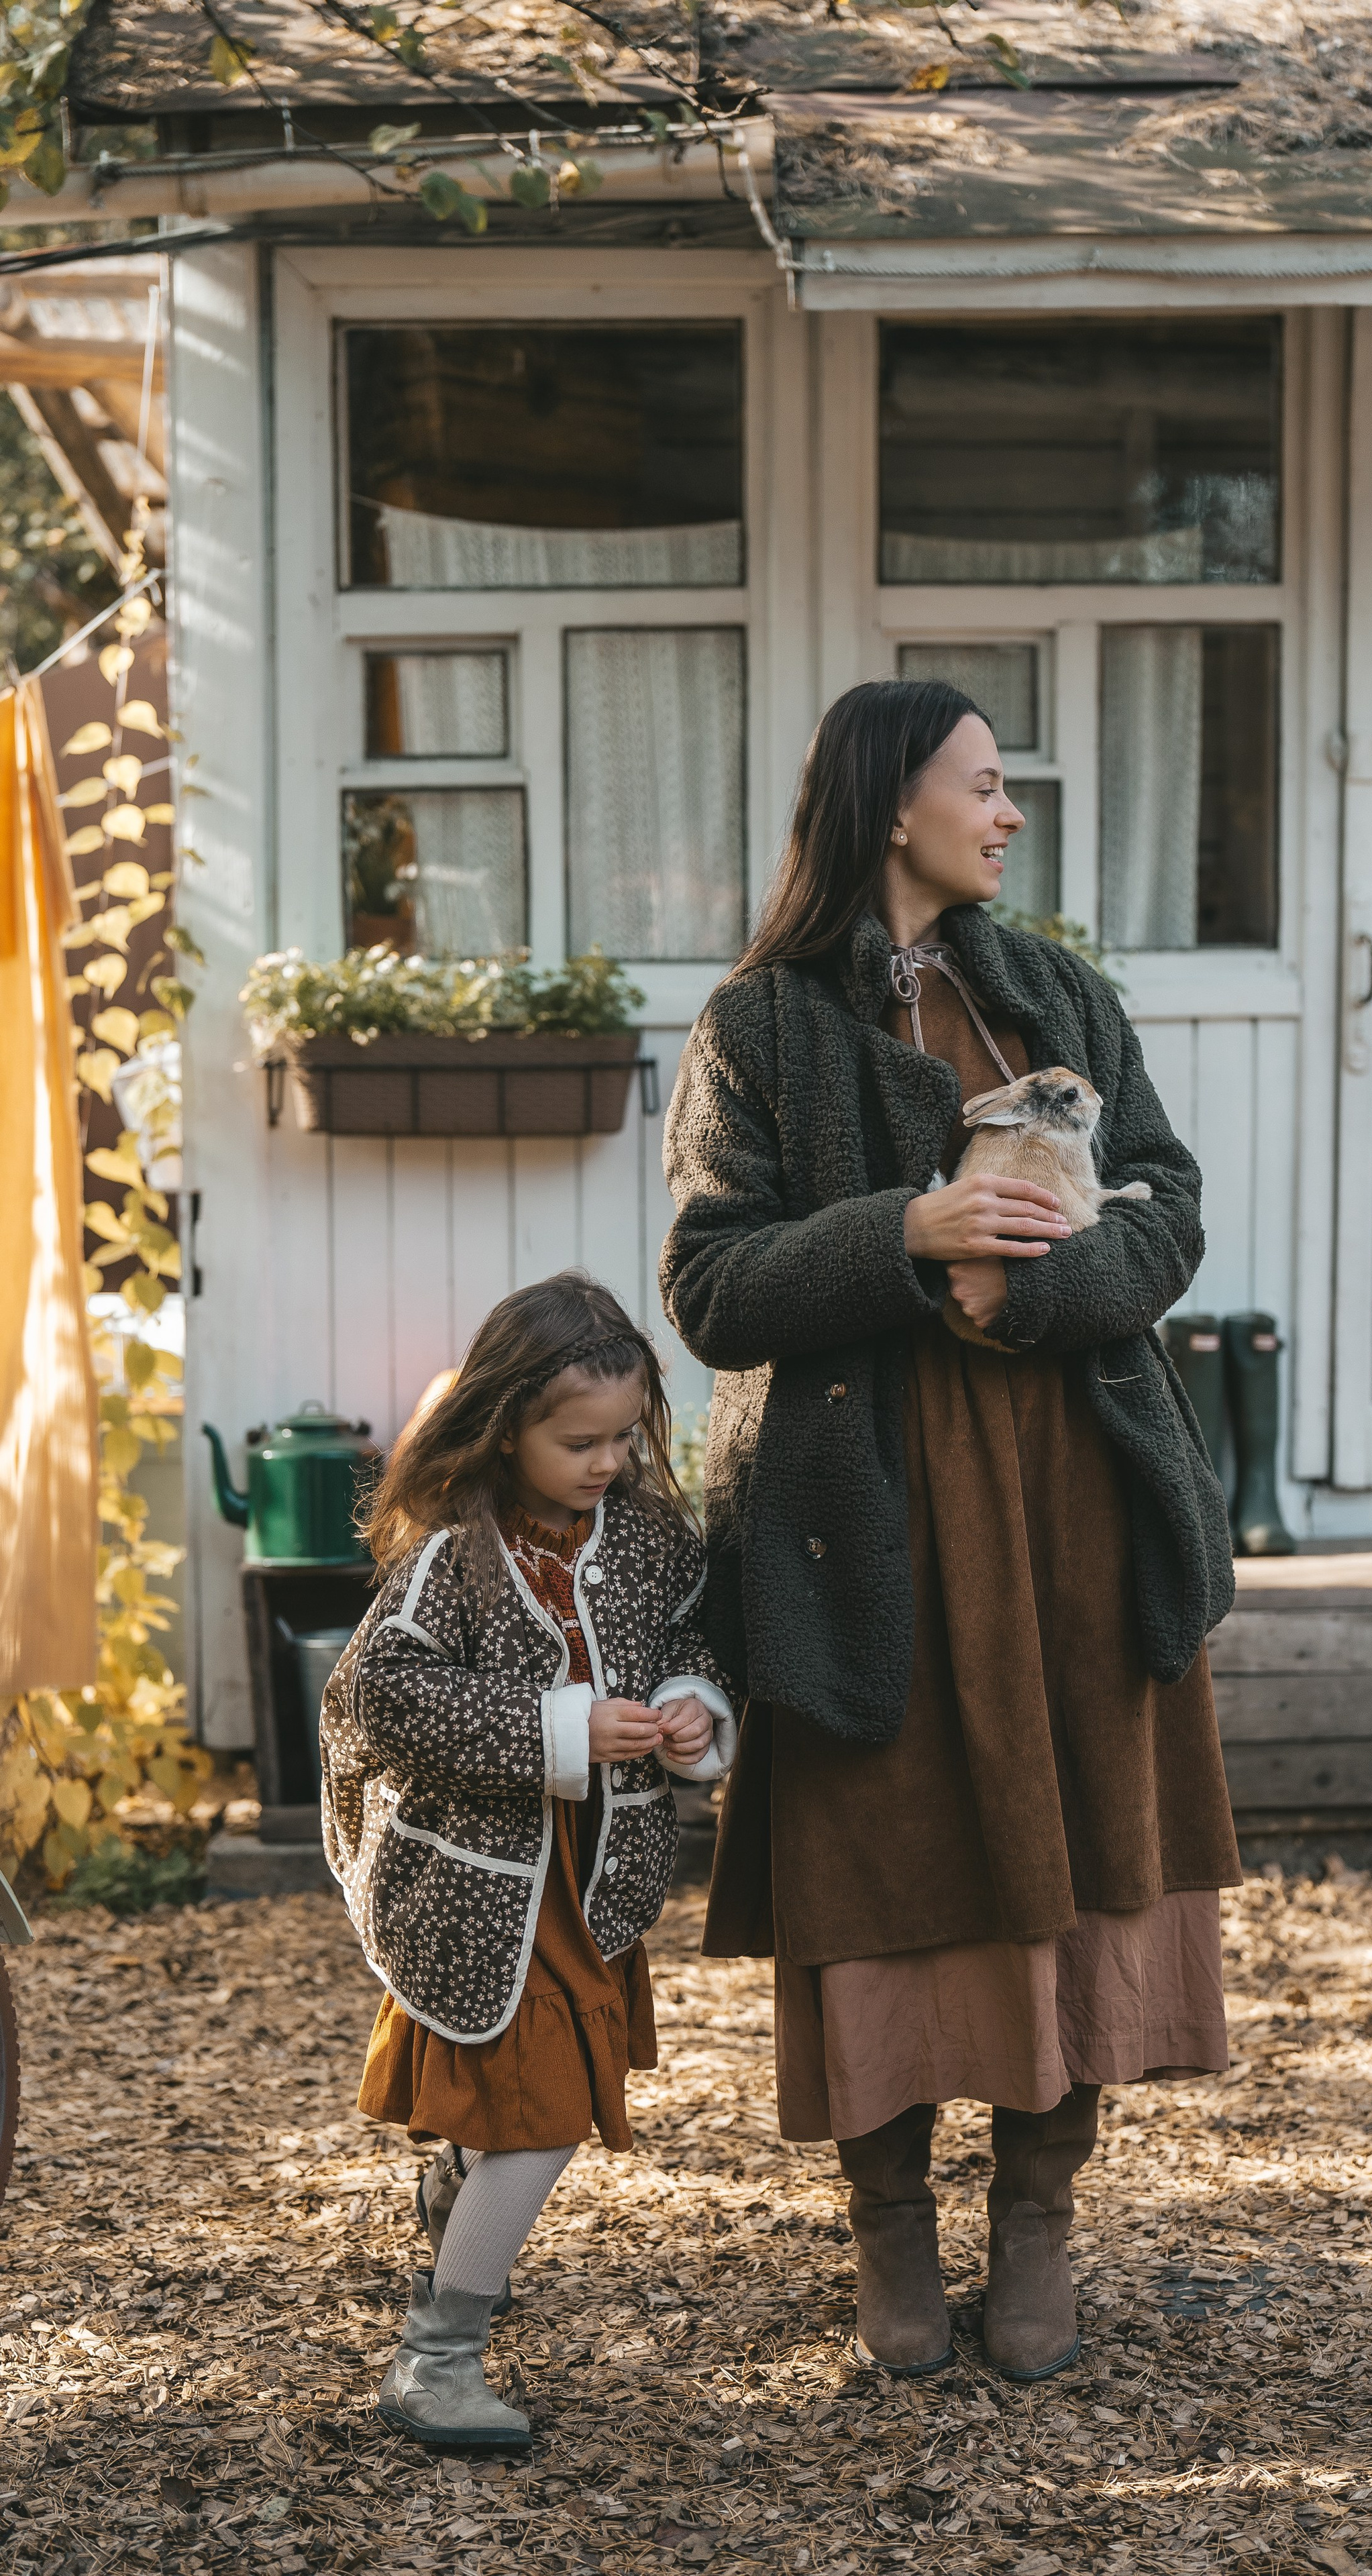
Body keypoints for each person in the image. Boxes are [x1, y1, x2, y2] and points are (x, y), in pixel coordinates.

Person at [661, 679, 1241, 2384]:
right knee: (888, 1852)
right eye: (980, 787)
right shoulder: (756, 1025)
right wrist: (906, 1229)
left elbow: (1169, 1204)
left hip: (1072, 1491)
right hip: (868, 1518)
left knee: (1071, 1846)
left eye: (1008, 791)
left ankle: (1042, 2218)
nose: (1004, 815)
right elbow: (709, 1286)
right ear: (886, 801)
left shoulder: (1056, 989)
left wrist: (1047, 1294)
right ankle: (891, 2226)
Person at [321, 1271, 735, 2449]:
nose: (608, 1462)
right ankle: (434, 2365)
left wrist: (690, 1707)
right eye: (578, 1441)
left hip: (590, 1885)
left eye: (624, 1437)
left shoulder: (653, 1536)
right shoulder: (455, 1555)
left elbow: (684, 1639)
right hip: (477, 1888)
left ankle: (452, 2234)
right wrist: (559, 1724)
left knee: (516, 2113)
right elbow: (382, 1696)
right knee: (541, 2119)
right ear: (507, 1425)